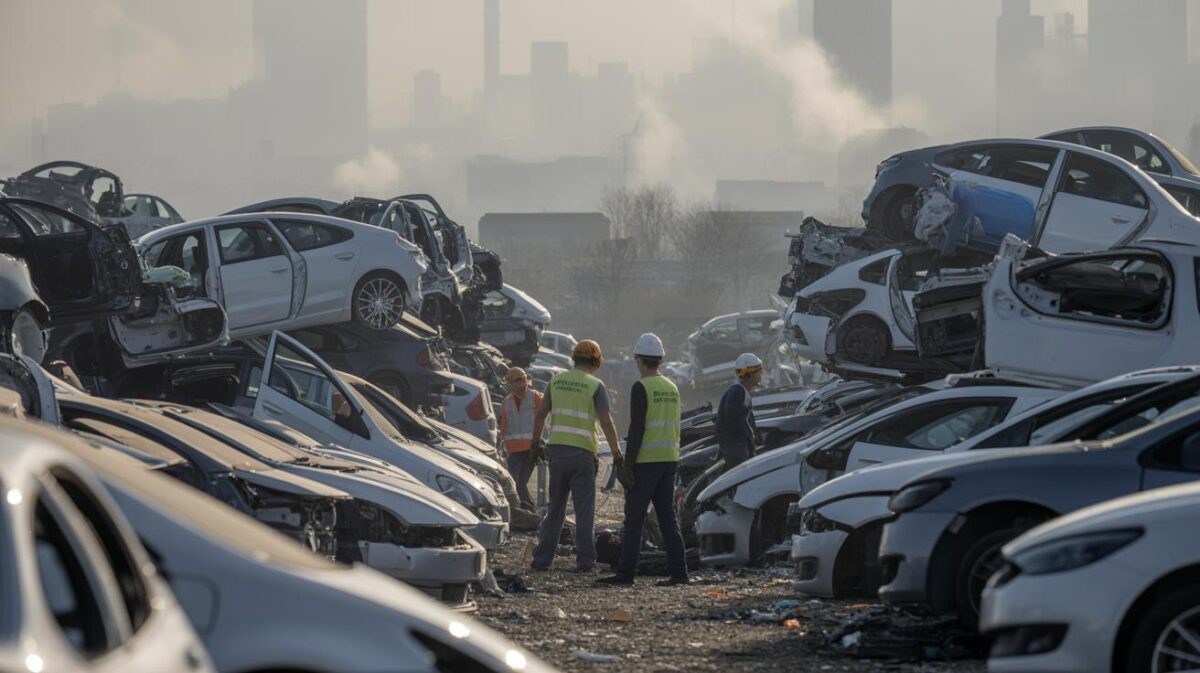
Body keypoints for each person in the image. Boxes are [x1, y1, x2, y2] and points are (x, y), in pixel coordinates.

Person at [597, 333, 689, 587]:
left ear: (638, 360)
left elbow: (637, 428)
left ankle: (626, 574)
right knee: (668, 518)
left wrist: (629, 463)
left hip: (647, 461)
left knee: (634, 518)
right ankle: (680, 573)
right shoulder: (672, 387)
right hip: (669, 459)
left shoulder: (641, 387)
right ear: (659, 359)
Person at [529, 339, 624, 572]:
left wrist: (535, 444)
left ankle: (542, 560)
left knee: (555, 509)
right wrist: (617, 453)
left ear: (574, 358)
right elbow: (606, 421)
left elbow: (540, 415)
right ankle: (585, 562)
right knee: (584, 512)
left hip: (557, 452)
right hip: (583, 455)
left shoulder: (556, 380)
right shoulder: (596, 385)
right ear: (596, 361)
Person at [499, 366, 541, 511]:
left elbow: (545, 419)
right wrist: (502, 449)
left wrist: (542, 442)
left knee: (520, 483)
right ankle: (524, 510)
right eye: (515, 381)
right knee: (513, 482)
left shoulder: (535, 397)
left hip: (531, 448)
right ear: (509, 383)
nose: (519, 384)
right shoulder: (506, 402)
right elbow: (503, 427)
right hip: (514, 451)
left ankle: (529, 510)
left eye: (521, 380)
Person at [713, 353, 763, 469]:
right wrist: (748, 437)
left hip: (738, 446)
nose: (762, 374)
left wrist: (755, 434)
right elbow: (735, 419)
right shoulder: (737, 391)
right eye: (759, 371)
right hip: (736, 447)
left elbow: (745, 418)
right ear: (750, 374)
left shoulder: (742, 391)